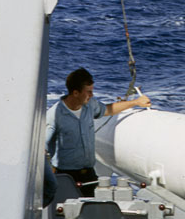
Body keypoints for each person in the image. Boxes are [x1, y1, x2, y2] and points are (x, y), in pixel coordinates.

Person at [46, 68, 151, 196]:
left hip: (89, 174)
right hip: (65, 176)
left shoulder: (90, 105)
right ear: (75, 93)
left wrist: (135, 102)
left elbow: (108, 110)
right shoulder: (54, 115)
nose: (92, 95)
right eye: (88, 92)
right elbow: (43, 148)